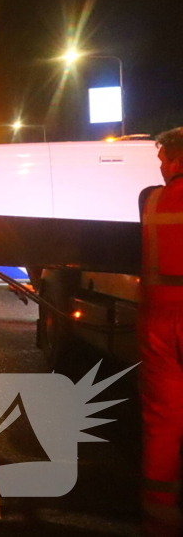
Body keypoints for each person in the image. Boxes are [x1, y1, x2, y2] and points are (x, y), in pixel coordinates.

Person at [137, 127, 183, 537]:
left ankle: (160, 513)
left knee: (164, 419)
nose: (161, 168)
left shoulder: (152, 200)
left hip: (160, 322)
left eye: (164, 160)